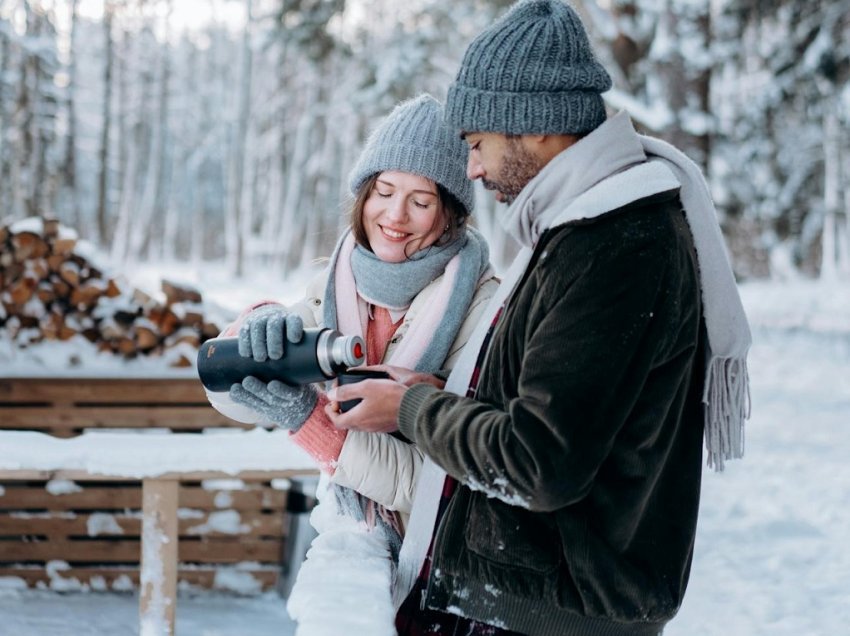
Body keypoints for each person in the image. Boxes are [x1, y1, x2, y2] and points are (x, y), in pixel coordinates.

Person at [325, 1, 752, 634]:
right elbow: (554, 412)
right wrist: (435, 395)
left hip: (547, 614)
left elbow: (538, 463)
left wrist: (412, 412)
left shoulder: (614, 247)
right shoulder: (579, 229)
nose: (471, 168)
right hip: (532, 599)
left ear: (534, 127)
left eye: (477, 145)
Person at [205, 94, 499, 557]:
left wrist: (314, 424)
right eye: (383, 192)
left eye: (420, 201)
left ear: (449, 216)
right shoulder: (335, 285)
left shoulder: (481, 314)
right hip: (354, 542)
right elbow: (228, 398)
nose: (394, 216)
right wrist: (254, 329)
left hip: (436, 562)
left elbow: (436, 483)